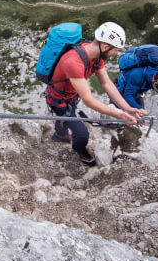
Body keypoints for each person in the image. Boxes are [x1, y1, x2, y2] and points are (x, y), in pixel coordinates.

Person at [45, 22, 143, 165]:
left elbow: (106, 83)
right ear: (105, 47)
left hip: (70, 94)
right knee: (82, 134)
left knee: (67, 116)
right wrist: (118, 115)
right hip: (58, 99)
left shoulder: (96, 57)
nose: (115, 53)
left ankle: (60, 134)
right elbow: (88, 100)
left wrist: (126, 108)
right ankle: (79, 148)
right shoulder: (73, 62)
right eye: (115, 50)